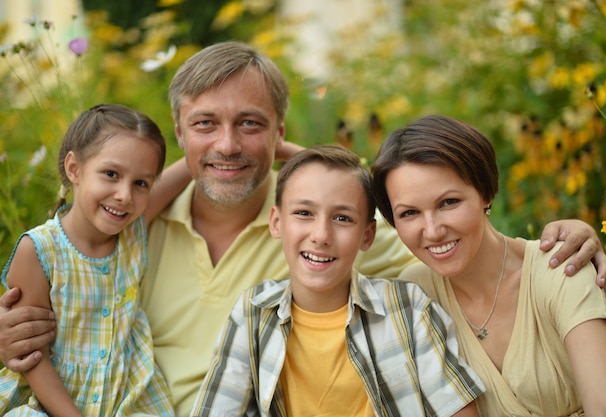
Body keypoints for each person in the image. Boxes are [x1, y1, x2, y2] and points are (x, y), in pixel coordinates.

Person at [0, 42, 606, 416]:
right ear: (178, 133)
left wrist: (569, 236)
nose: (228, 145)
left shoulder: (328, 235)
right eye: (205, 123)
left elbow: (437, 226)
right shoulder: (134, 227)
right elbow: (63, 272)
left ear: (280, 130)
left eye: (252, 124)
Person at [191, 145, 485, 417]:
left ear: (367, 235)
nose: (321, 236)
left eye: (342, 218)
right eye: (304, 213)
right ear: (277, 222)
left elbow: (457, 409)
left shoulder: (407, 308)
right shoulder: (253, 312)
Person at [370, 114, 606, 416]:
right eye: (409, 213)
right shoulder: (414, 295)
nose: (433, 230)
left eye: (448, 202)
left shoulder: (561, 266)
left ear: (486, 193)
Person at [0, 104, 177, 416]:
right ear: (74, 169)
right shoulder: (38, 250)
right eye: (111, 174)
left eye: (141, 183)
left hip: (127, 398)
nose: (125, 194)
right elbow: (31, 354)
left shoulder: (134, 230)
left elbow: (195, 164)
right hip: (51, 402)